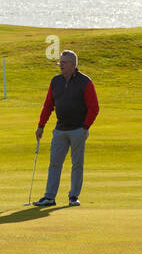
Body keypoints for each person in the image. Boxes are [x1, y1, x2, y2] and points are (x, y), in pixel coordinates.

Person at [33, 50, 99, 208]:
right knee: (54, 163)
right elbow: (48, 105)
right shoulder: (55, 81)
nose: (60, 65)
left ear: (73, 64)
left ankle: (73, 196)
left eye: (64, 62)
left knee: (77, 164)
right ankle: (49, 197)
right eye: (60, 62)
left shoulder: (85, 82)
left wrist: (85, 127)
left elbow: (94, 107)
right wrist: (41, 125)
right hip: (60, 130)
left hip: (78, 130)